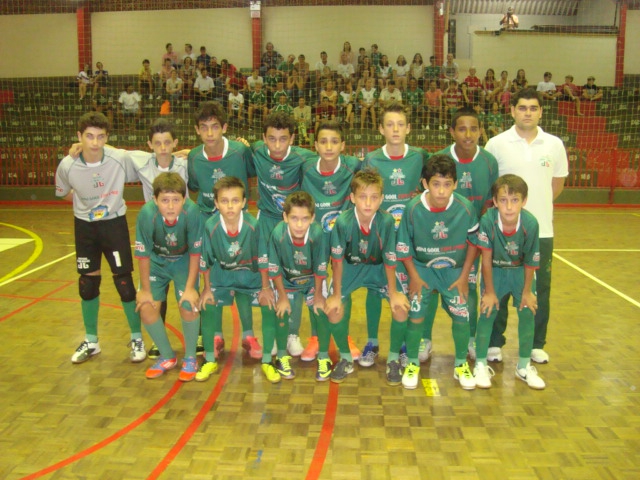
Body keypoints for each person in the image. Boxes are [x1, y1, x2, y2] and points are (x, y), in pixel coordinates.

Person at [485, 87, 568, 365]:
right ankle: (495, 342)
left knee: (539, 288)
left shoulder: (554, 144)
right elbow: (492, 186)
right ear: (512, 111)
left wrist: (530, 215)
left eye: (533, 108)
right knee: (498, 284)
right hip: (502, 230)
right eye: (522, 107)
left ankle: (536, 343)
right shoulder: (496, 143)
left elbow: (556, 185)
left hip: (541, 230)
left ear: (541, 111)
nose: (528, 112)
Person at [54, 112, 145, 364]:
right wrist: (85, 206)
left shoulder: (119, 158)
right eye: (89, 137)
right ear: (79, 137)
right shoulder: (67, 165)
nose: (95, 143)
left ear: (108, 138)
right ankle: (91, 341)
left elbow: (159, 155)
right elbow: (62, 193)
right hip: (84, 227)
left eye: (101, 137)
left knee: (124, 282)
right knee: (87, 283)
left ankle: (137, 338)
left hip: (114, 224)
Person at [420, 108, 499, 363]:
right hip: (439, 239)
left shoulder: (489, 161)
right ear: (452, 131)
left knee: (470, 288)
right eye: (462, 129)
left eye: (474, 128)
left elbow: (490, 203)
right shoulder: (439, 158)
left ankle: (472, 338)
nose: (468, 134)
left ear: (480, 131)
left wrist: (480, 237)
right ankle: (425, 339)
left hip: (471, 240)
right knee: (429, 290)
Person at [395, 154, 479, 390]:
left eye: (447, 184)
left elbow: (474, 243)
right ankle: (412, 363)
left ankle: (461, 364)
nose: (441, 191)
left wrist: (464, 276)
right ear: (425, 183)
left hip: (454, 272)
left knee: (462, 316)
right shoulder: (412, 209)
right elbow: (403, 248)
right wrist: (413, 276)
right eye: (435, 184)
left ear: (455, 184)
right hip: (422, 270)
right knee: (416, 316)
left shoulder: (465, 207)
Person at [359, 101, 430, 368]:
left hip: (410, 237)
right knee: (376, 290)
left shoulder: (421, 156)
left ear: (409, 128)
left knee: (407, 289)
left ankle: (402, 343)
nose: (396, 129)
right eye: (390, 124)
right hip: (380, 236)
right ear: (381, 129)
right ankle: (372, 341)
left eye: (400, 124)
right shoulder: (372, 159)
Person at [324, 169, 409, 383]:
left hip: (378, 268)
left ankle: (392, 359)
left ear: (381, 199)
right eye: (362, 197)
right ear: (352, 198)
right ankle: (345, 357)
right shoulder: (343, 223)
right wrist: (336, 294)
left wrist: (394, 293)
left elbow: (390, 259)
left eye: (374, 197)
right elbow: (336, 260)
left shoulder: (387, 221)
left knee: (400, 308)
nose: (368, 203)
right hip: (350, 268)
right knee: (334, 310)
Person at [187, 101, 256, 357]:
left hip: (239, 220)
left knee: (244, 273)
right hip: (210, 224)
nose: (210, 132)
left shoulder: (239, 151)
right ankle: (214, 335)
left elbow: (252, 170)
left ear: (224, 127)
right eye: (204, 127)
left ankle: (249, 335)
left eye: (215, 126)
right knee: (211, 280)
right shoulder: (194, 157)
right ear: (197, 130)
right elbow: (194, 186)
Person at [472, 174, 545, 390]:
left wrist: (527, 292)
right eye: (503, 200)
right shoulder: (488, 220)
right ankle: (481, 364)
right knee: (487, 311)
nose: (509, 206)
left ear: (524, 201)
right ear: (495, 201)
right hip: (494, 270)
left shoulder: (530, 223)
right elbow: (485, 258)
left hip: (520, 271)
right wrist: (489, 291)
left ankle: (524, 366)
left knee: (527, 311)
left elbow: (532, 259)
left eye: (515, 200)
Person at [252, 112, 316, 356]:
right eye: (272, 139)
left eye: (283, 139)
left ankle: (291, 334)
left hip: (294, 224)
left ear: (292, 139)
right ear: (263, 138)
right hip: (267, 220)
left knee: (293, 278)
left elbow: (333, 159)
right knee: (267, 278)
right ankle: (274, 333)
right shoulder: (257, 151)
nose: (277, 145)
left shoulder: (303, 158)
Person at [298, 121, 362, 362]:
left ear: (343, 145)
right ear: (315, 146)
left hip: (342, 239)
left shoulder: (353, 166)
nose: (329, 146)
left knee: (340, 288)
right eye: (323, 142)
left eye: (335, 141)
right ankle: (316, 338)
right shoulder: (305, 168)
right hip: (314, 240)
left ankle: (344, 337)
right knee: (316, 289)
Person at [197, 176, 268, 380]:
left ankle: (249, 337)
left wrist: (265, 287)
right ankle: (215, 342)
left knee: (258, 299)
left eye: (235, 200)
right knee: (209, 302)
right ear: (216, 203)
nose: (230, 206)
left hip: (248, 274)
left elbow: (262, 258)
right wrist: (207, 289)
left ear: (244, 202)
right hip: (221, 274)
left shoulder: (253, 225)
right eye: (224, 201)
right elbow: (206, 261)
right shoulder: (210, 226)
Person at [135, 173, 203, 381]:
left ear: (185, 199)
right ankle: (167, 356)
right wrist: (145, 291)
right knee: (146, 307)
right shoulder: (147, 215)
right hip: (157, 263)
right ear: (155, 200)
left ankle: (190, 357)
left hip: (183, 261)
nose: (171, 206)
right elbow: (143, 254)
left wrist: (191, 288)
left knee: (188, 304)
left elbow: (195, 253)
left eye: (176, 200)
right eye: (165, 200)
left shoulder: (193, 213)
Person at [265, 191, 329, 382]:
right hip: (286, 281)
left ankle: (324, 356)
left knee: (321, 309)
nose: (299, 225)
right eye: (294, 218)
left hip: (311, 281)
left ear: (313, 218)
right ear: (285, 217)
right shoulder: (278, 234)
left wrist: (318, 295)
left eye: (304, 219)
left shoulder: (317, 234)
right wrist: (283, 297)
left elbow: (320, 268)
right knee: (282, 309)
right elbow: (274, 269)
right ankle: (282, 355)